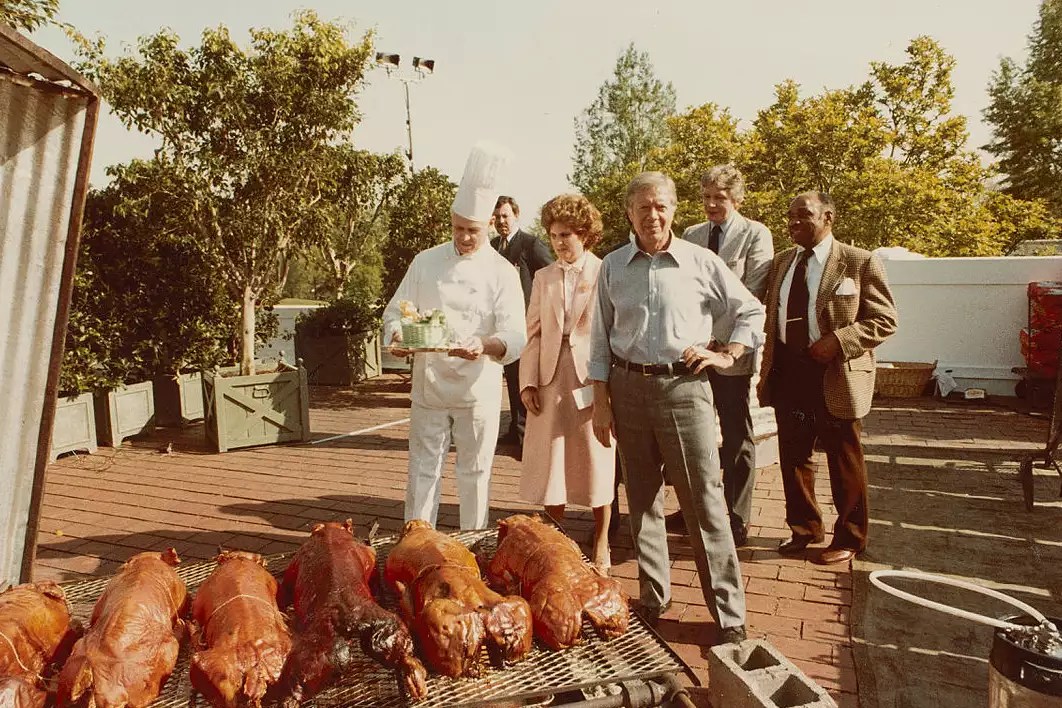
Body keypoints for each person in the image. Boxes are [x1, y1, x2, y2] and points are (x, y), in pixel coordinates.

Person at [589, 171, 765, 644]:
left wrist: (725, 353)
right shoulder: (612, 267)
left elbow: (751, 310)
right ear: (629, 213)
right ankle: (654, 597)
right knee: (642, 500)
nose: (653, 215)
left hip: (684, 390)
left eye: (661, 206)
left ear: (673, 210)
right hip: (627, 390)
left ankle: (728, 616)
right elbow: (599, 339)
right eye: (643, 207)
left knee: (704, 503)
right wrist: (600, 400)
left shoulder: (700, 262)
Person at [383, 142, 526, 530]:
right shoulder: (425, 261)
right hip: (429, 386)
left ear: (489, 227)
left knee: (475, 471)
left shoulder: (502, 272)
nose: (464, 237)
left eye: (473, 231)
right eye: (458, 229)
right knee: (422, 469)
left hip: (477, 387)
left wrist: (485, 345)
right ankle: (416, 542)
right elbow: (396, 311)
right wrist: (396, 335)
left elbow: (516, 334)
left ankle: (474, 543)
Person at [758, 191, 897, 565]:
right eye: (790, 216)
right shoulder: (781, 262)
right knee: (794, 454)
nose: (794, 222)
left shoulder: (858, 262)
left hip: (834, 373)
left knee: (843, 456)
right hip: (789, 371)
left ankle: (851, 537)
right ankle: (805, 528)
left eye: (804, 214)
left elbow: (885, 321)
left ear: (828, 217)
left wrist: (838, 340)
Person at [666, 165, 774, 547]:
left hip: (731, 354)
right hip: (693, 354)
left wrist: (719, 344)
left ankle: (736, 515)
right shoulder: (692, 235)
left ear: (737, 200)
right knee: (694, 436)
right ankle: (693, 509)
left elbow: (751, 293)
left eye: (720, 199)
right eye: (707, 197)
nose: (711, 205)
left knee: (735, 436)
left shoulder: (755, 235)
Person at [518, 194, 615, 575]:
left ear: (585, 235)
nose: (559, 242)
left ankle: (602, 539)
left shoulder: (605, 271)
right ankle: (554, 542)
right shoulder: (543, 277)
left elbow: (612, 330)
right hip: (549, 378)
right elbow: (533, 334)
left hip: (593, 378)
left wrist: (606, 383)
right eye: (554, 235)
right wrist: (528, 383)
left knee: (596, 459)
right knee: (550, 463)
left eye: (567, 235)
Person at [491, 196, 554, 454]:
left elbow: (552, 274)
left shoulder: (530, 244)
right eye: (497, 217)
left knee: (524, 377)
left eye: (505, 216)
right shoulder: (493, 246)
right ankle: (515, 428)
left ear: (516, 214)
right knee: (510, 376)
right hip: (502, 323)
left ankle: (527, 435)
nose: (501, 222)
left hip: (527, 323)